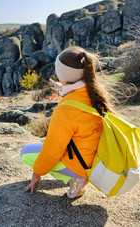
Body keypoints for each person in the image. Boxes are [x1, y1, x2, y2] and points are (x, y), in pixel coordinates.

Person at [20, 46, 115, 198]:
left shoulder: (65, 110)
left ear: (61, 73)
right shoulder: (95, 93)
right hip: (97, 159)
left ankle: (77, 177)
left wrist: (37, 172)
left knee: (25, 153)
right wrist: (64, 88)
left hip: (82, 165)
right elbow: (78, 107)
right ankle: (77, 173)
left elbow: (53, 148)